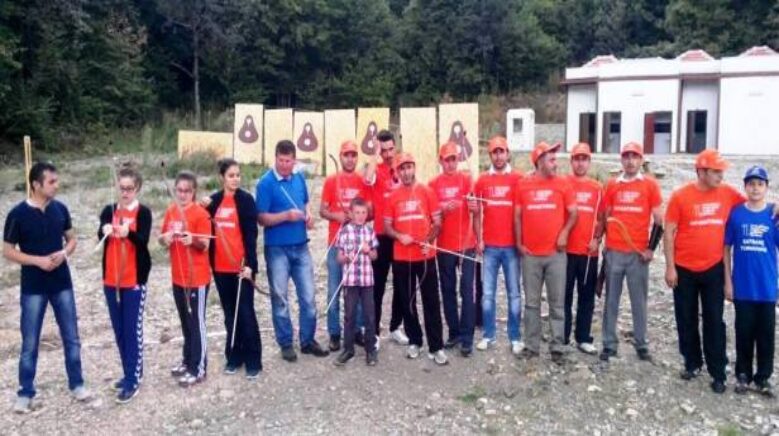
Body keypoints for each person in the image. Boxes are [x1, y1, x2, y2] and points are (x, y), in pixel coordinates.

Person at [3, 162, 91, 413]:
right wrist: (37, 261)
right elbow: (7, 251)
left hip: (62, 283)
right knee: (30, 341)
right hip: (33, 287)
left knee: (71, 337)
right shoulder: (17, 214)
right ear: (36, 184)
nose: (56, 185)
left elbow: (72, 239)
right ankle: (25, 392)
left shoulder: (60, 209)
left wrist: (64, 253)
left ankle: (77, 384)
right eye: (51, 182)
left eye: (56, 180)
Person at [664, 149, 743, 393]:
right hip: (684, 269)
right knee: (686, 318)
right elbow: (669, 232)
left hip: (713, 268)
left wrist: (774, 207)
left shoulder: (728, 193)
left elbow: (752, 204)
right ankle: (692, 363)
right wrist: (670, 267)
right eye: (716, 171)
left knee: (714, 320)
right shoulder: (680, 196)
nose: (721, 175)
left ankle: (718, 371)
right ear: (701, 171)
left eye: (722, 171)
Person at [257, 140, 329, 361]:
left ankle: (307, 341)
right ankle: (286, 343)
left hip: (301, 246)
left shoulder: (298, 178)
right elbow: (261, 218)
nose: (285, 165)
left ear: (294, 160)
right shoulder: (265, 183)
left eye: (289, 161)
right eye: (281, 160)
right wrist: (285, 216)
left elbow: (305, 203)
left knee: (308, 297)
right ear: (275, 158)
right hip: (277, 249)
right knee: (280, 298)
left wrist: (308, 216)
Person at [599, 142, 663, 363]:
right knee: (611, 300)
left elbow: (659, 220)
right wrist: (600, 241)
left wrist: (650, 248)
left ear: (641, 160)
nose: (630, 161)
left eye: (634, 156)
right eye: (626, 156)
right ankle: (609, 344)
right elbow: (605, 217)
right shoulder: (612, 185)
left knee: (639, 301)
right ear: (621, 160)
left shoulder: (650, 185)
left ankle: (641, 344)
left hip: (638, 254)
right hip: (614, 252)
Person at [514, 142, 577, 362]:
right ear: (539, 161)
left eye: (555, 159)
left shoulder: (563, 184)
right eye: (551, 160)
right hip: (530, 256)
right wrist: (519, 243)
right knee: (531, 304)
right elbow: (517, 216)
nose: (555, 164)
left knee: (557, 304)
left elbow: (574, 213)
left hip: (555, 256)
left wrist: (565, 233)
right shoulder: (523, 185)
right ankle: (531, 346)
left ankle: (557, 347)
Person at [384, 152, 447, 365]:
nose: (406, 172)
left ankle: (436, 346)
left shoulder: (427, 192)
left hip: (425, 255)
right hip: (402, 257)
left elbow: (437, 223)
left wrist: (429, 240)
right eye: (401, 168)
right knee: (407, 301)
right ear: (397, 172)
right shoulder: (392, 196)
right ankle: (415, 340)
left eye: (409, 167)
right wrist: (399, 236)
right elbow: (387, 226)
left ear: (414, 168)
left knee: (431, 301)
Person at [98, 163, 152, 403]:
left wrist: (127, 233)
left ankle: (133, 379)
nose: (125, 192)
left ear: (137, 188)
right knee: (119, 330)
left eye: (129, 188)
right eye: (121, 188)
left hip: (133, 281)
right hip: (111, 280)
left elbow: (143, 240)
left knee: (132, 330)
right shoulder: (108, 210)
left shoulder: (143, 212)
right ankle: (129, 371)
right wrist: (104, 229)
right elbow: (100, 236)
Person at [205, 158, 262, 379]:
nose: (235, 179)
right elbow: (200, 222)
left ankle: (253, 360)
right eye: (231, 175)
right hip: (220, 267)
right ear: (222, 177)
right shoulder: (214, 201)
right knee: (230, 314)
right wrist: (201, 206)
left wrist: (251, 266)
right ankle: (234, 356)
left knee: (246, 313)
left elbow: (251, 235)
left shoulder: (246, 200)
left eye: (238, 175)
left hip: (241, 267)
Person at [724, 165, 779, 397]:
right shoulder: (737, 214)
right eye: (751, 184)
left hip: (767, 288)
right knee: (743, 333)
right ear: (745, 187)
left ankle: (763, 378)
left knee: (766, 336)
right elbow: (726, 248)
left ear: (766, 187)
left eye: (760, 184)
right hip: (743, 287)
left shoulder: (773, 215)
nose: (755, 188)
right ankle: (743, 375)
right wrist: (728, 281)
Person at [159, 171, 212, 387]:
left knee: (197, 323)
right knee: (185, 322)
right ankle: (188, 359)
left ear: (194, 191)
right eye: (179, 190)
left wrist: (194, 241)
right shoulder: (171, 211)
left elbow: (205, 244)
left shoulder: (201, 214)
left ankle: (199, 368)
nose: (182, 194)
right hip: (178, 277)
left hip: (197, 279)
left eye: (187, 191)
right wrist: (165, 238)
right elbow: (162, 239)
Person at [473, 136, 523, 355]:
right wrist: (479, 239)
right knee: (488, 294)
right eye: (495, 152)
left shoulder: (519, 179)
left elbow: (524, 212)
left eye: (502, 151)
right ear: (490, 155)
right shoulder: (482, 181)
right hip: (490, 247)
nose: (499, 156)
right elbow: (476, 213)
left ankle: (515, 336)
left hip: (512, 247)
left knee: (514, 294)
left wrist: (522, 241)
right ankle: (488, 335)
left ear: (508, 153)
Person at [320, 140, 372, 352]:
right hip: (337, 243)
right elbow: (322, 210)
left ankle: (356, 330)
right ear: (341, 157)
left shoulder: (362, 182)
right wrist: (337, 216)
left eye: (353, 155)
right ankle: (334, 333)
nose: (350, 159)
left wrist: (358, 216)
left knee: (356, 290)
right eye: (346, 155)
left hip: (357, 245)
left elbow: (368, 212)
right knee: (334, 289)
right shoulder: (331, 181)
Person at [429, 142, 478, 356]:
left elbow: (476, 209)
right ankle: (454, 332)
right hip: (445, 246)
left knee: (467, 290)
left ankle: (467, 338)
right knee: (447, 290)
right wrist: (441, 208)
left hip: (467, 244)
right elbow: (430, 213)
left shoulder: (467, 180)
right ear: (440, 161)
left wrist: (475, 207)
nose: (450, 163)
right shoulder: (433, 184)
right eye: (446, 160)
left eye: (454, 159)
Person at [363, 130, 408, 345]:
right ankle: (374, 331)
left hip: (399, 235)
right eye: (384, 150)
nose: (389, 154)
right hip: (381, 234)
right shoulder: (377, 169)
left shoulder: (402, 168)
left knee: (401, 284)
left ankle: (395, 327)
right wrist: (375, 153)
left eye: (391, 149)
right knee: (378, 286)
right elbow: (367, 178)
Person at [564, 143, 603, 355]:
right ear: (571, 161)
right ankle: (563, 336)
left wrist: (597, 239)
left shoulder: (597, 188)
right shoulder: (563, 184)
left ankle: (583, 337)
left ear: (589, 162)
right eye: (577, 159)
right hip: (566, 251)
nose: (580, 163)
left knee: (586, 297)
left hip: (589, 252)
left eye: (584, 159)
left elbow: (602, 218)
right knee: (565, 295)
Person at [333, 197, 379, 366]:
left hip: (367, 281)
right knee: (350, 315)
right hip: (350, 281)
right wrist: (346, 257)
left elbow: (375, 256)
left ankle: (370, 350)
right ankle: (348, 349)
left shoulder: (370, 232)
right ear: (351, 214)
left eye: (363, 213)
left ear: (367, 214)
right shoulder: (344, 232)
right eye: (357, 212)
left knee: (369, 316)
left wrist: (368, 251)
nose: (360, 216)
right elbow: (338, 258)